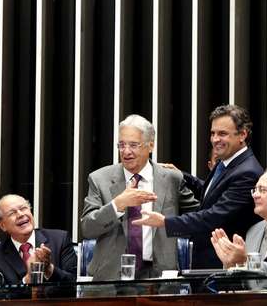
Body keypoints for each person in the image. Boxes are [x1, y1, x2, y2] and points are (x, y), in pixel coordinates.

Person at [134, 104, 264, 269]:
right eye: (213, 133)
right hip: (208, 260)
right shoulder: (227, 161)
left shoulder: (248, 172)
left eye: (222, 134)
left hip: (223, 265)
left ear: (242, 135)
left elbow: (214, 216)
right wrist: (183, 176)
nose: (215, 139)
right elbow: (212, 193)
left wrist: (165, 222)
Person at [81, 114, 200, 279]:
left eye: (133, 145)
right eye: (121, 145)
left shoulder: (171, 179)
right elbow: (87, 228)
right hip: (110, 277)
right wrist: (117, 205)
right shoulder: (99, 179)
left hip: (159, 276)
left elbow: (199, 217)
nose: (126, 151)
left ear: (150, 145)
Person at [0, 195, 76, 284]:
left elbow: (74, 285)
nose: (21, 214)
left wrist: (48, 268)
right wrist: (28, 279)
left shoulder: (60, 240)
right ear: (2, 225)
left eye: (23, 208)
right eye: (12, 213)